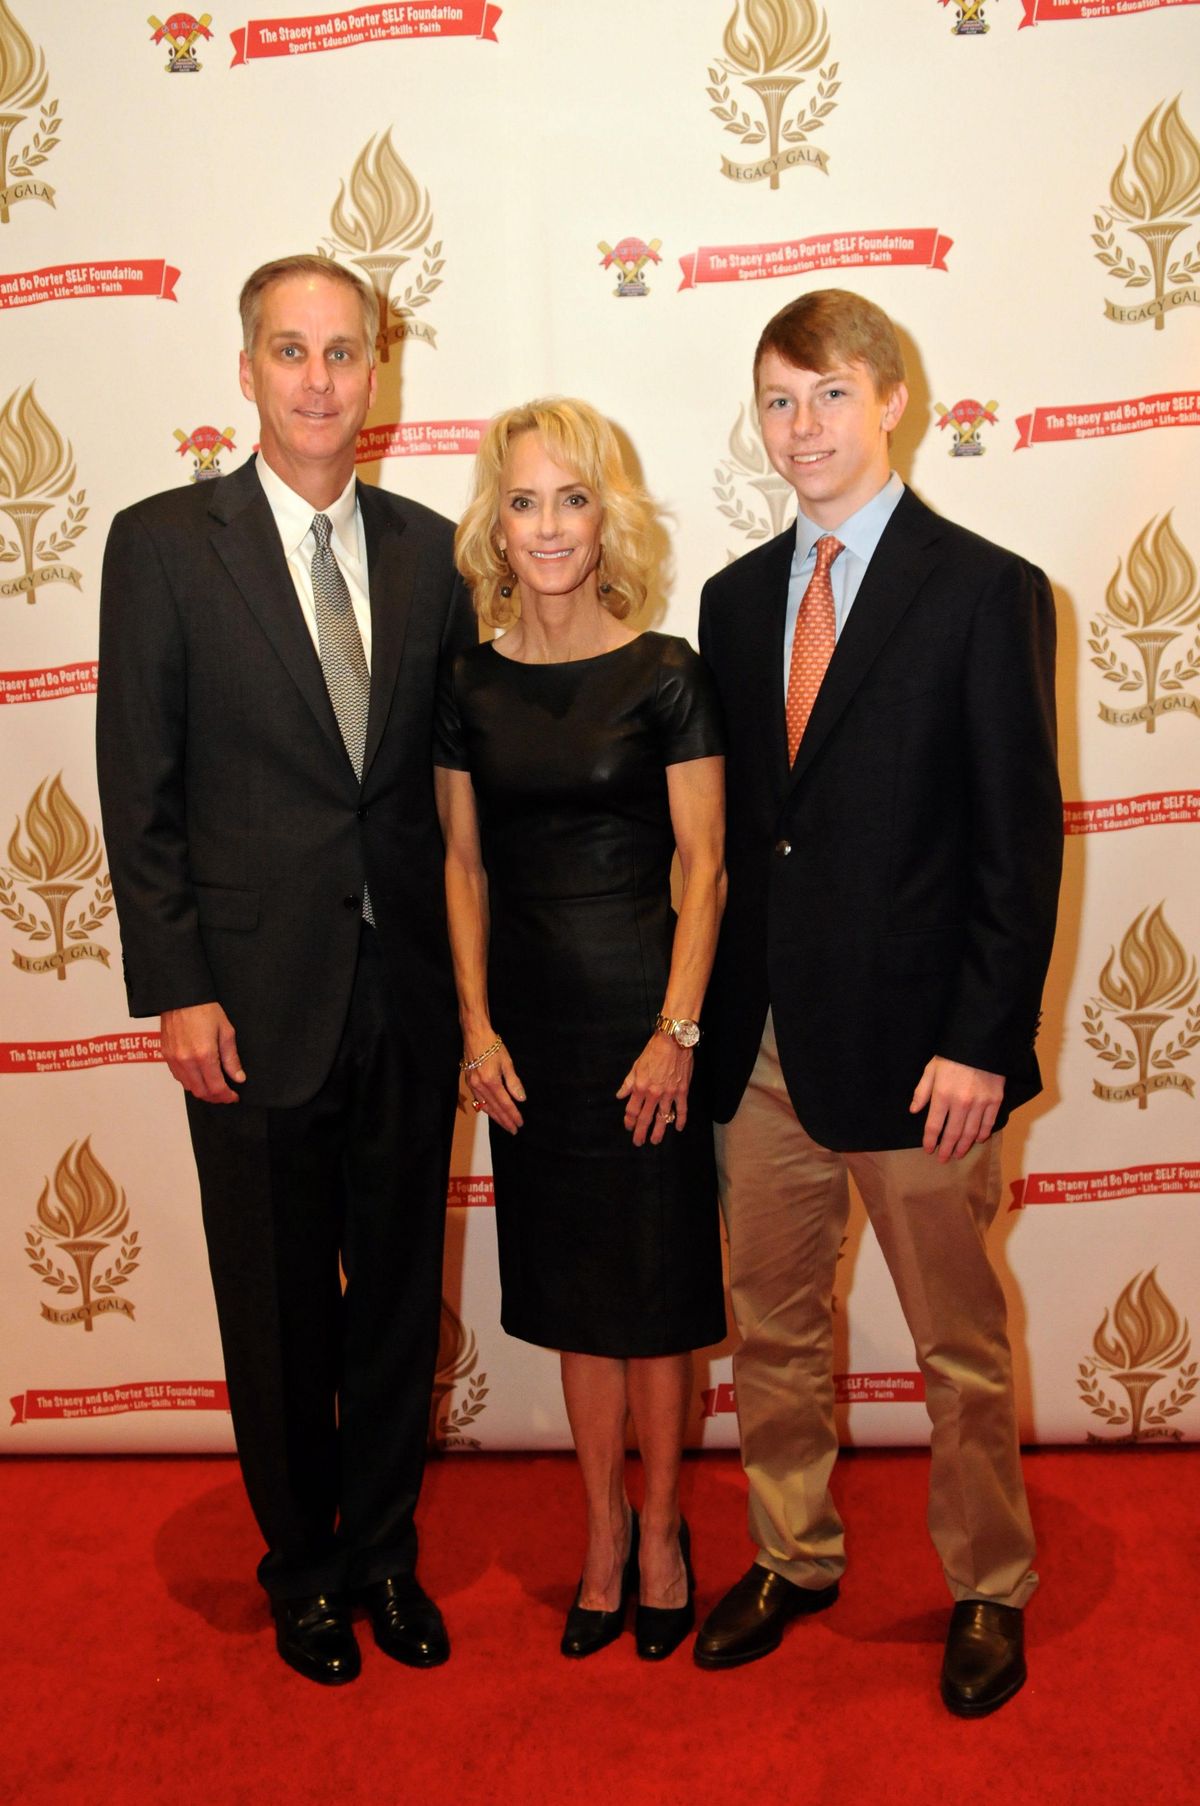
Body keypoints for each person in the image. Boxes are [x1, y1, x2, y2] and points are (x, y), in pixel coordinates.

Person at [96, 254, 476, 1686]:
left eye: (344, 352)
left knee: (391, 1293)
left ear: (379, 373)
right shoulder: (162, 545)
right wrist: (176, 984)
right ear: (246, 370)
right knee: (273, 1305)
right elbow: (139, 790)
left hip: (407, 997)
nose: (320, 378)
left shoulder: (439, 552)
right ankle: (301, 1567)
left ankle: (382, 1550)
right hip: (245, 1003)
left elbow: (447, 785)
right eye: (290, 351)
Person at [694, 290, 1061, 1716]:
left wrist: (984, 1036)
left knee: (959, 1344)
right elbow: (738, 838)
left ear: (894, 399)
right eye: (779, 400)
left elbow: (1016, 841)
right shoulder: (731, 602)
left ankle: (988, 1582)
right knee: (773, 1326)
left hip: (923, 1058)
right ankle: (795, 1552)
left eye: (829, 396)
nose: (803, 428)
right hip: (762, 1050)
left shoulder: (983, 588)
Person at [434, 399, 727, 1661]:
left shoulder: (666, 671)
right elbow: (460, 867)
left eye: (573, 499)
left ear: (609, 518)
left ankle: (663, 1531)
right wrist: (477, 1028)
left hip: (642, 1027)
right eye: (524, 500)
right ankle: (599, 1534)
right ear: (494, 526)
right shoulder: (467, 680)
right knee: (569, 1299)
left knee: (655, 1301)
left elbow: (707, 869)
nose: (549, 526)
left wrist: (678, 1032)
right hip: (533, 1043)